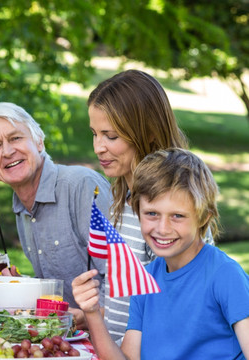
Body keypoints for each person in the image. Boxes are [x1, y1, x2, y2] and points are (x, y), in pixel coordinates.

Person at [72, 148, 249, 359]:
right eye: (152, 214)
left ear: (203, 218)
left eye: (177, 216)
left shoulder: (225, 275)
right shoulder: (145, 280)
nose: (162, 228)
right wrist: (92, 312)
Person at [87, 69, 215, 342]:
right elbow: (123, 290)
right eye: (95, 134)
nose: (98, 147)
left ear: (147, 132)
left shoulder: (170, 214)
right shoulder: (120, 200)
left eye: (110, 136)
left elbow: (187, 306)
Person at [0, 102, 112, 329]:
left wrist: (86, 318)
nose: (7, 152)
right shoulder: (21, 206)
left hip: (111, 340)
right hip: (63, 338)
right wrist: (22, 286)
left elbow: (128, 285)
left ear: (39, 141)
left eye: (16, 138)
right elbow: (58, 293)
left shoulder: (82, 186)